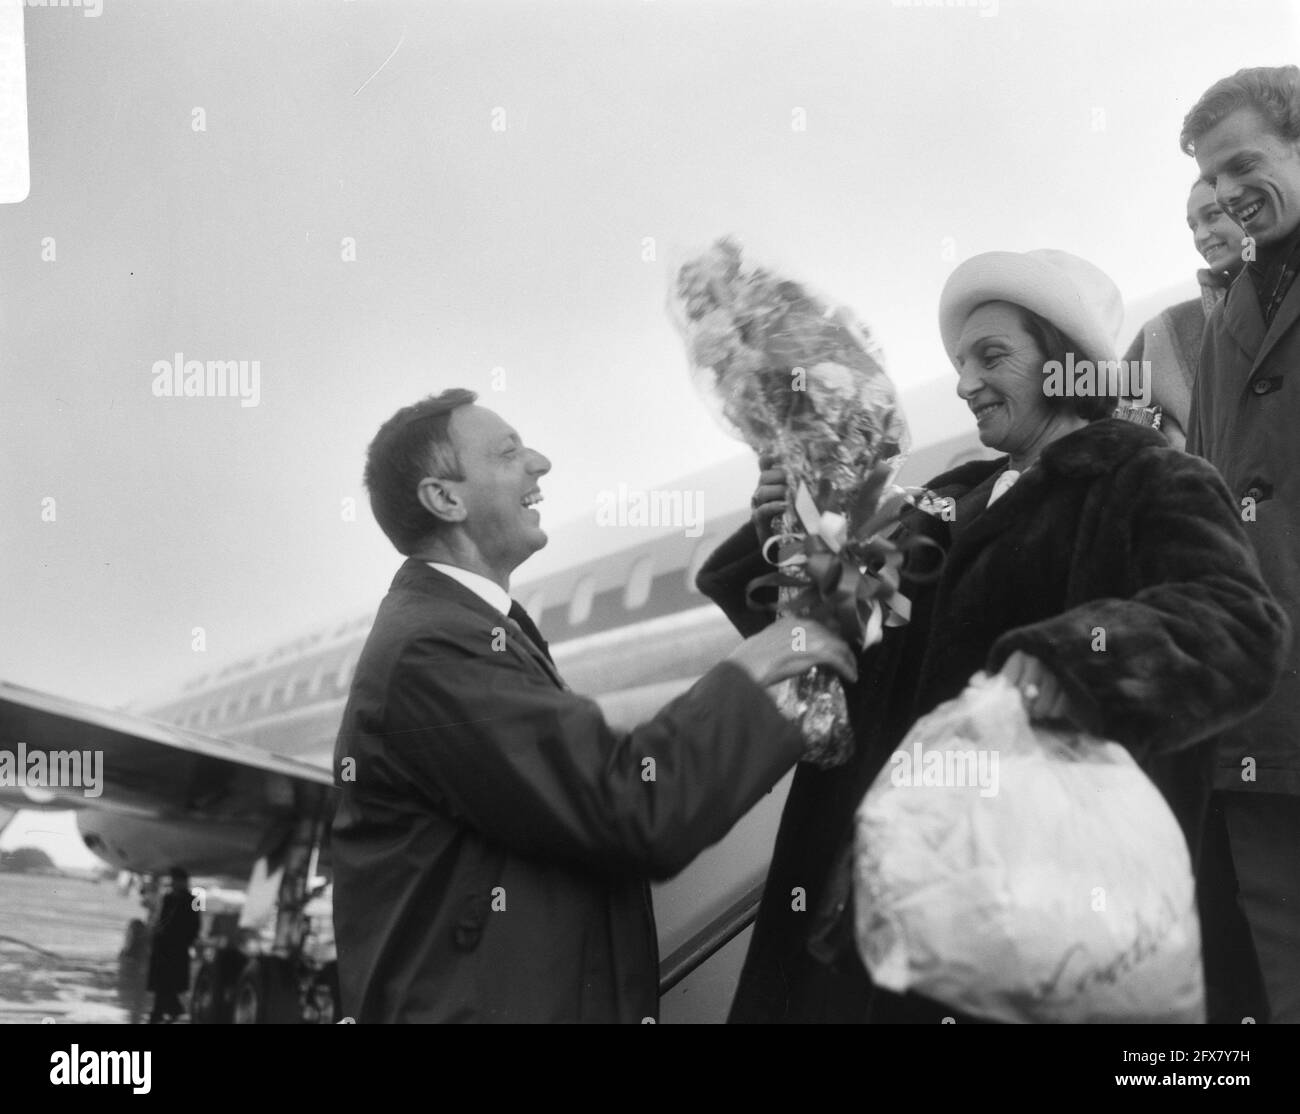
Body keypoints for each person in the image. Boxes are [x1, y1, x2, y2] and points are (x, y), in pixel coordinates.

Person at [697, 249, 1289, 1024]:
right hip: (878, 911)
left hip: (1035, 913)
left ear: (1066, 366)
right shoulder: (941, 505)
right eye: (959, 362)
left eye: (992, 356)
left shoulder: (1145, 478)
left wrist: (1073, 659)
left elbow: (1235, 622)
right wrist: (792, 525)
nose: (964, 382)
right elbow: (829, 650)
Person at [330, 389, 856, 1023]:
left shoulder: (470, 631)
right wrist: (756, 667)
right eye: (508, 452)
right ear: (445, 498)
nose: (540, 462)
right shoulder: (433, 649)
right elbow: (628, 804)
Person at [1182, 64, 1300, 1024]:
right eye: (1210, 181)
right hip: (1258, 720)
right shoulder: (1225, 321)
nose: (1224, 196)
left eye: (1244, 165)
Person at [1117, 179, 1246, 449]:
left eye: (1212, 215)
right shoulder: (1166, 329)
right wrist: (1165, 437)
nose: (1200, 236)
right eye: (1193, 226)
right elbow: (1117, 408)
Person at [146, 866, 200, 1024]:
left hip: (178, 948)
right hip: (163, 947)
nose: (175, 883)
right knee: (163, 984)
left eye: (178, 880)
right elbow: (162, 919)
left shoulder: (194, 900)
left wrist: (187, 941)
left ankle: (160, 1014)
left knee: (166, 984)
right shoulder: (168, 898)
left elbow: (196, 924)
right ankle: (167, 1012)